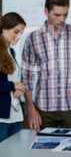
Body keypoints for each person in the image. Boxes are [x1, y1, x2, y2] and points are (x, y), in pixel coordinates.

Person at [21, 0, 71, 131]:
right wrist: (30, 109)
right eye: (57, 15)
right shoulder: (33, 38)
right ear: (46, 11)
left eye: (65, 14)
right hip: (43, 108)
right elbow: (26, 76)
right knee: (44, 151)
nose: (62, 19)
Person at [0, 12, 27, 142]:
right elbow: (9, 83)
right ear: (4, 29)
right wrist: (13, 86)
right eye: (16, 32)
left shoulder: (11, 51)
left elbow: (12, 79)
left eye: (21, 33)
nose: (19, 36)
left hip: (15, 114)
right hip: (1, 117)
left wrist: (18, 89)